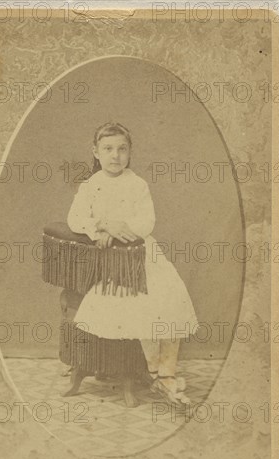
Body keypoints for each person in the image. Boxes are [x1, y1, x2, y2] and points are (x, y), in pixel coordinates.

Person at [67, 122, 199, 405]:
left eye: (122, 149)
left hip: (141, 254)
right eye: (108, 149)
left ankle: (166, 374)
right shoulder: (90, 186)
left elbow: (146, 222)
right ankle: (152, 369)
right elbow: (75, 219)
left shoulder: (138, 184)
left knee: (170, 295)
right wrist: (102, 225)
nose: (115, 155)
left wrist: (120, 226)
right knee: (135, 302)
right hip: (109, 262)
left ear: (130, 152)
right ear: (96, 152)